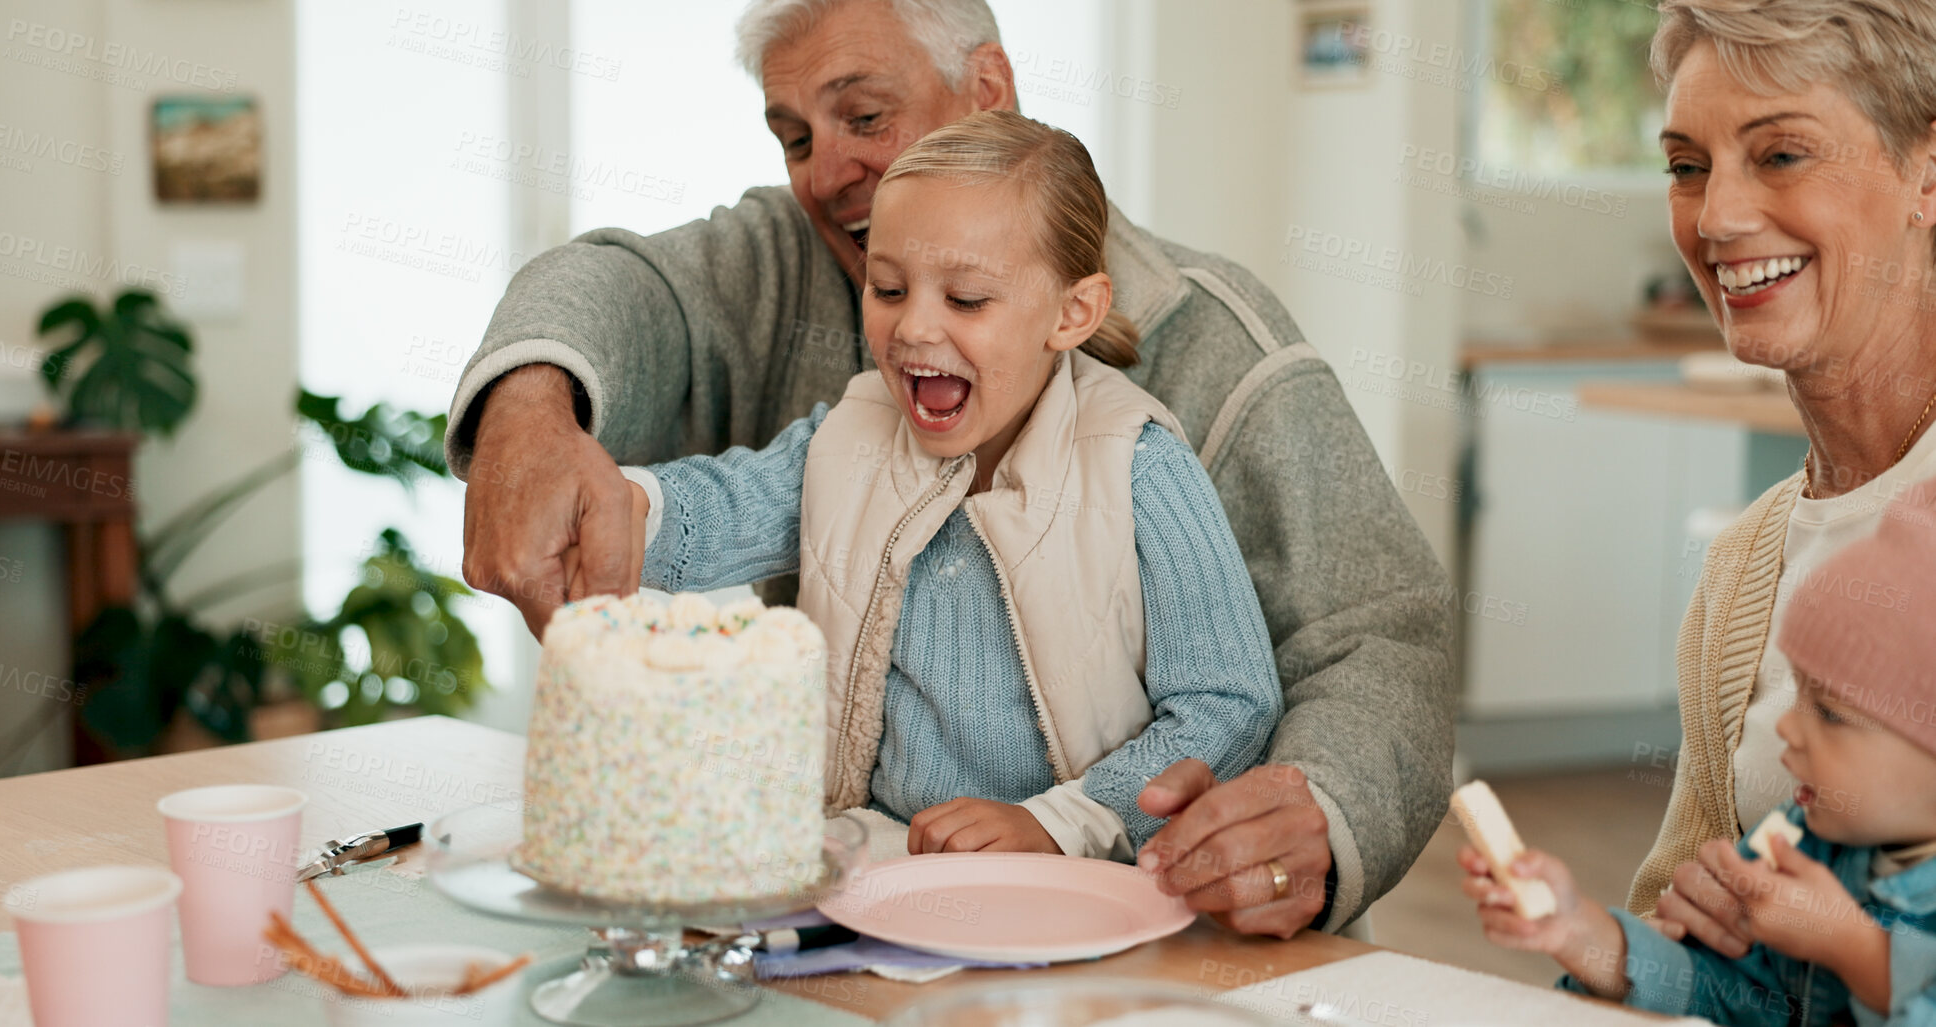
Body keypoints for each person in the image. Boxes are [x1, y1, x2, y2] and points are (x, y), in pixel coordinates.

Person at [451, 0, 1453, 936]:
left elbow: (1370, 638)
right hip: (873, 896)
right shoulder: (826, 347)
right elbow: (628, 303)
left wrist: (1311, 811)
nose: (822, 170)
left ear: (986, 90)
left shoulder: (1187, 386)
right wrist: (551, 427)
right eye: (794, 136)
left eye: (865, 115)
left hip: (1133, 920)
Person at [598, 110, 1282, 860]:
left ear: (1072, 311)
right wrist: (621, 505)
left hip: (1070, 889)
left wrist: (1056, 824)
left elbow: (1228, 705)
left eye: (965, 300)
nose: (914, 328)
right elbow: (722, 509)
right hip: (877, 865)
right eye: (887, 288)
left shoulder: (1136, 466)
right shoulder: (852, 436)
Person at [1627, 0, 1936, 957]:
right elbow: (1669, 911)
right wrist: (1679, 922)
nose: (1716, 216)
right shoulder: (1744, 564)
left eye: (1780, 154)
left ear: (1927, 171)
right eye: (1687, 166)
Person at [1461, 479, 1936, 1024]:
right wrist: (1582, 931)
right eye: (1796, 690)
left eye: (1830, 712)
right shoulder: (1801, 843)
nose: (1788, 727)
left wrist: (1849, 946)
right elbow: (1721, 996)